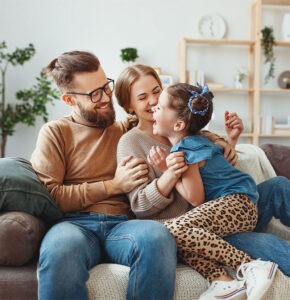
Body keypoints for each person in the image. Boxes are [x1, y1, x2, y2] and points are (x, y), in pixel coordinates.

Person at [115, 64, 290, 299]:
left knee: (278, 185)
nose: (154, 101)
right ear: (129, 106)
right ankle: (231, 277)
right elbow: (140, 205)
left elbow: (216, 170)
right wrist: (169, 173)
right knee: (264, 243)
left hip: (222, 209)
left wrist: (231, 142)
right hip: (199, 222)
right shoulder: (132, 142)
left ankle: (242, 272)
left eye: (157, 91)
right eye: (143, 97)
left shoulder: (188, 132)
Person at [30, 51, 178, 300]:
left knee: (156, 236)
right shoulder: (56, 132)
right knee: (60, 249)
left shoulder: (127, 129)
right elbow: (51, 197)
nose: (106, 98)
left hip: (124, 225)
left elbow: (177, 124)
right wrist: (112, 186)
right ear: (68, 99)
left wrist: (220, 141)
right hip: (74, 225)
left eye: (105, 87)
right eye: (93, 94)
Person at [151, 81, 278, 299]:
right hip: (238, 205)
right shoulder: (198, 140)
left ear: (179, 125)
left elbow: (196, 198)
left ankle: (250, 266)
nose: (153, 107)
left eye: (160, 107)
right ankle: (223, 282)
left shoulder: (186, 148)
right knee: (180, 241)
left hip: (237, 204)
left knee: (172, 230)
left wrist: (165, 170)